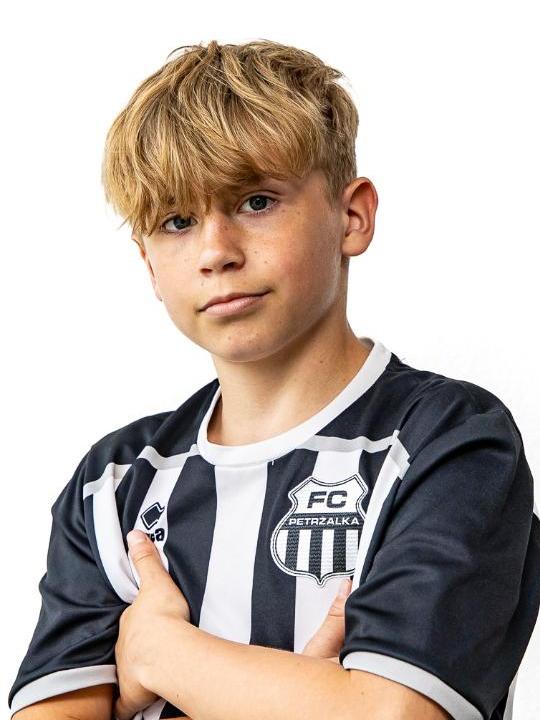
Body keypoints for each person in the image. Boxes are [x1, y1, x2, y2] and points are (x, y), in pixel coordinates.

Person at [8, 38, 540, 720]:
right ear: (148, 263)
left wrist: (161, 657)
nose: (216, 252)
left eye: (256, 202)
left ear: (352, 217)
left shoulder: (451, 444)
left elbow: (395, 714)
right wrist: (306, 696)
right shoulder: (114, 484)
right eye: (177, 221)